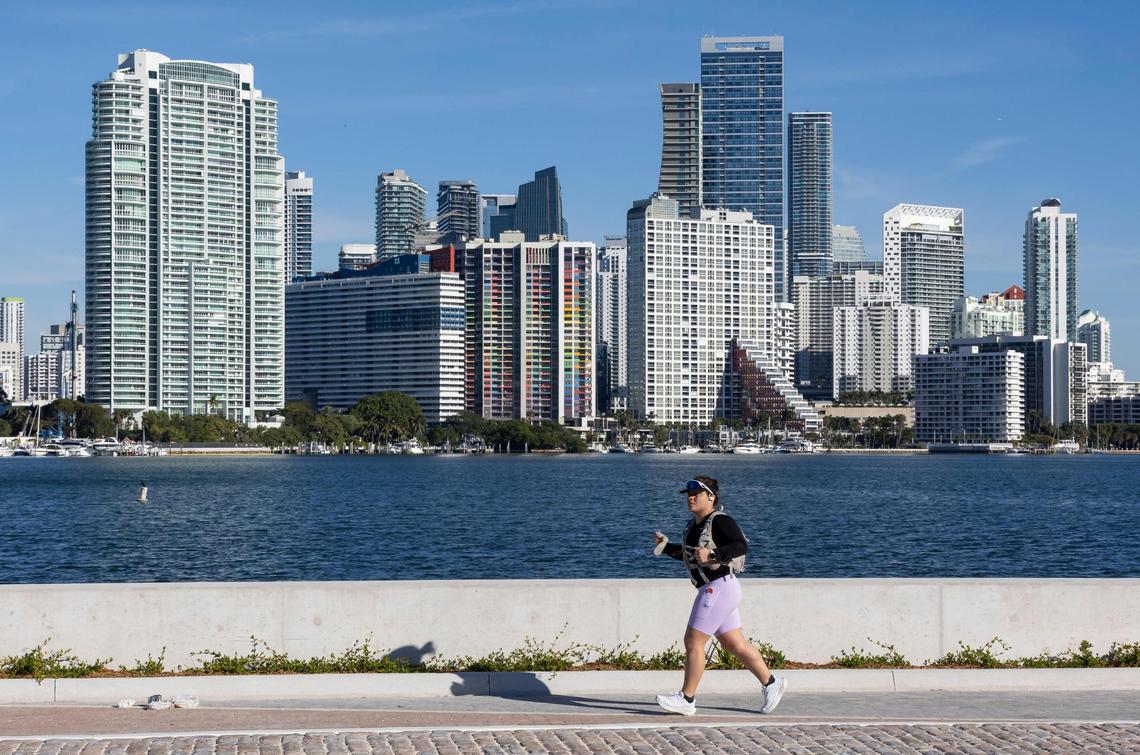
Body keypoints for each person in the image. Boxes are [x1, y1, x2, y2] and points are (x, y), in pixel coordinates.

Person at [653, 475, 786, 716]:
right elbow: (690, 555)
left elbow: (740, 545)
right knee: (734, 643)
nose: (690, 498)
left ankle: (687, 697)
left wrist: (714, 555)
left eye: (696, 494)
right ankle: (771, 683)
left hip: (718, 587)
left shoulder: (720, 520)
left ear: (711, 497)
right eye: (688, 494)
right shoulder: (693, 526)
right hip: (720, 588)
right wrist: (666, 547)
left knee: (693, 642)